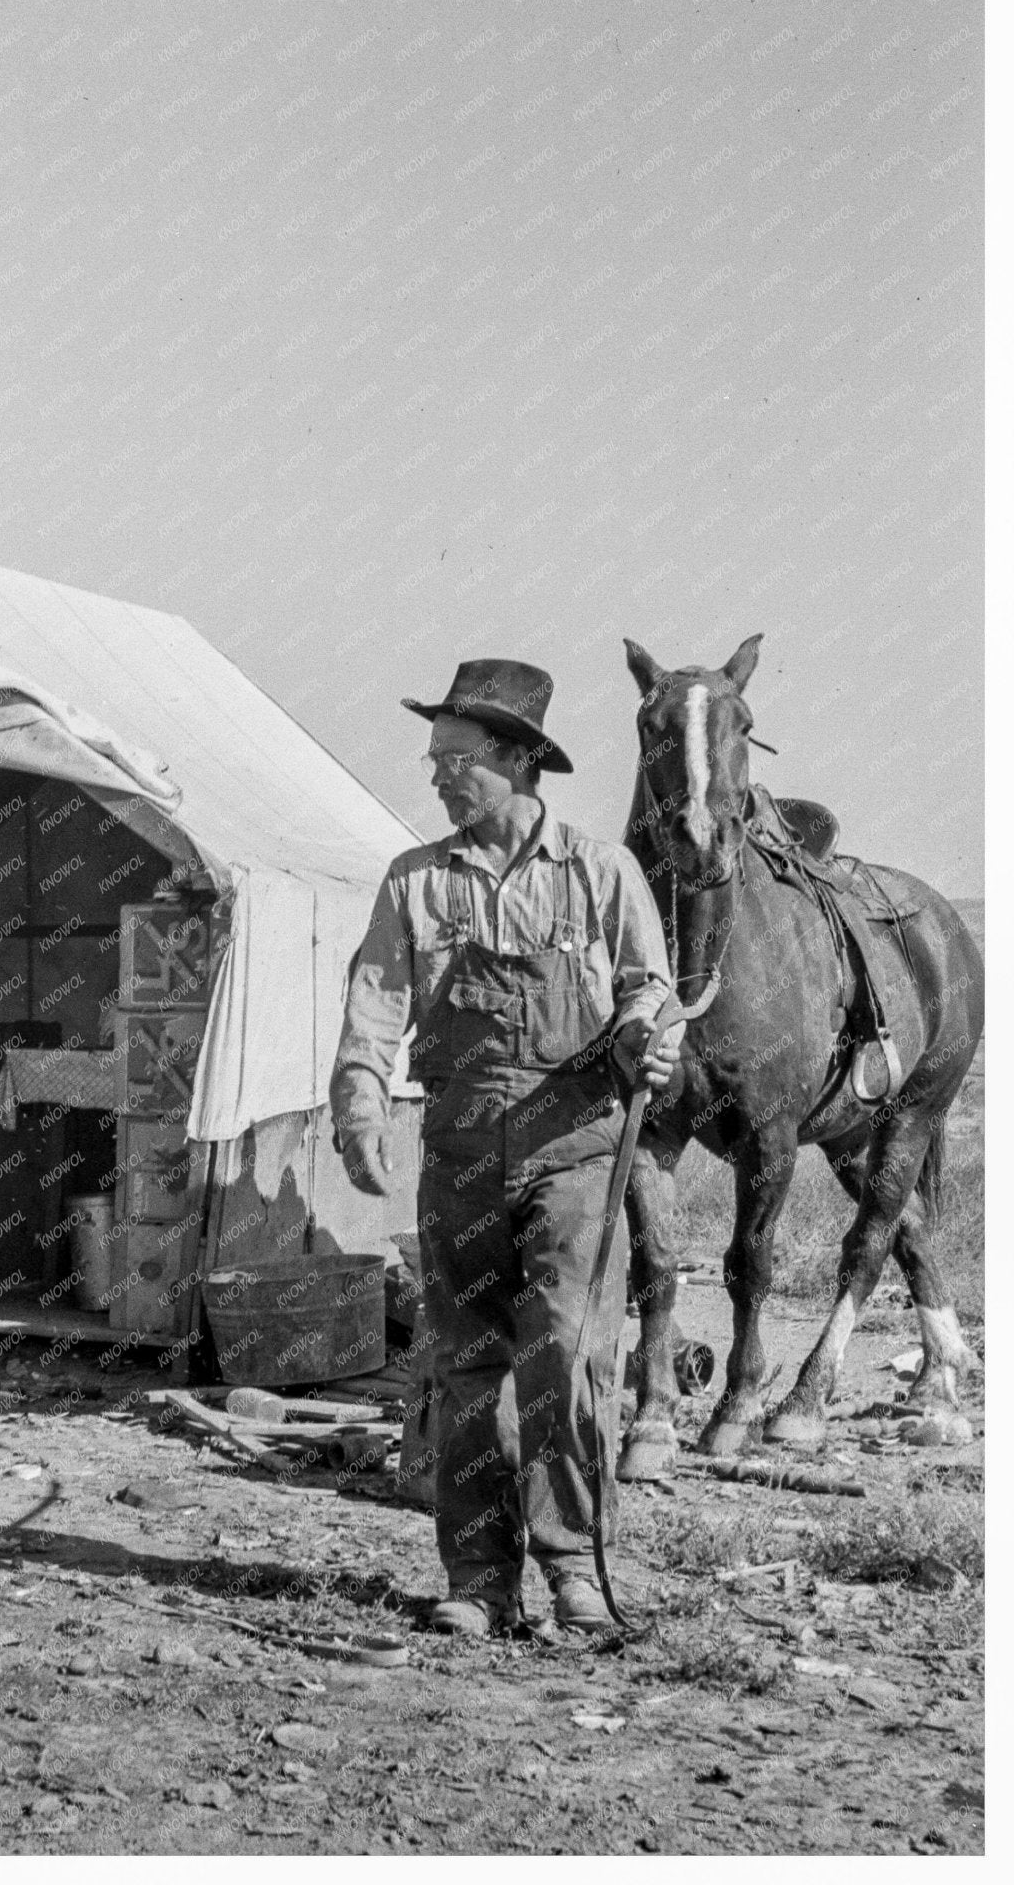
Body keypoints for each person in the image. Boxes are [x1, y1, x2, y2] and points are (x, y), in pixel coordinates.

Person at [332, 659, 678, 1638]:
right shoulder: (414, 880)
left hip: (574, 1136)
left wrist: (646, 1030)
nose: (436, 773)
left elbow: (647, 988)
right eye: (433, 756)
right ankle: (479, 1579)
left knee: (562, 1353)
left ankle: (572, 1565)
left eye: (457, 758)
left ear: (519, 760)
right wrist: (358, 1104)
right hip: (461, 1143)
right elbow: (373, 1006)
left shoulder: (600, 871)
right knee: (468, 1364)